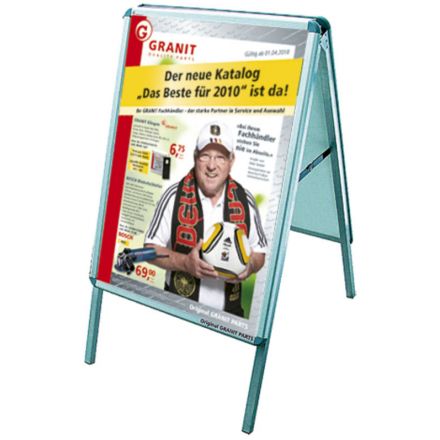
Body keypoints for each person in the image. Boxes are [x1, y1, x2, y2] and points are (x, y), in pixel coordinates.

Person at [144, 121, 267, 317]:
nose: (211, 165)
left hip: (230, 317)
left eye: (220, 157)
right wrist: (184, 263)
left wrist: (249, 266)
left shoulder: (245, 200)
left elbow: (259, 251)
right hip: (177, 308)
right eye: (205, 156)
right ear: (195, 157)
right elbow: (149, 250)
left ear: (231, 161)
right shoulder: (174, 195)